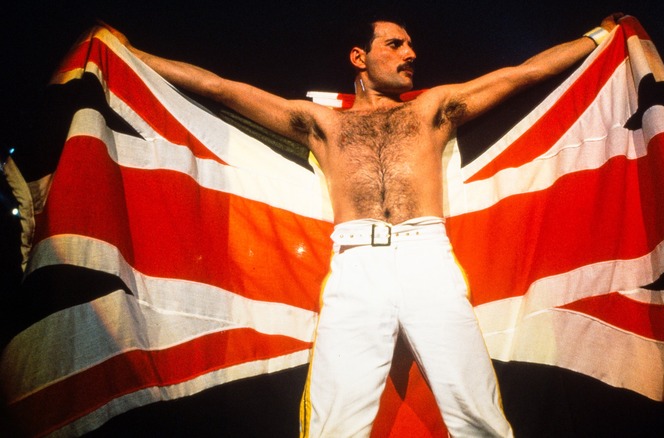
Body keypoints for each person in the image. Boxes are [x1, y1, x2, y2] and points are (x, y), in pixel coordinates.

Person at [107, 12, 622, 437]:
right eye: (396, 44)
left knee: (476, 410)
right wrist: (130, 53)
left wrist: (597, 38)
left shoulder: (433, 110)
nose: (410, 54)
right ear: (360, 57)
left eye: (411, 45)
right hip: (355, 263)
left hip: (426, 255)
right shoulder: (322, 124)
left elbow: (524, 73)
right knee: (337, 420)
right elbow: (220, 87)